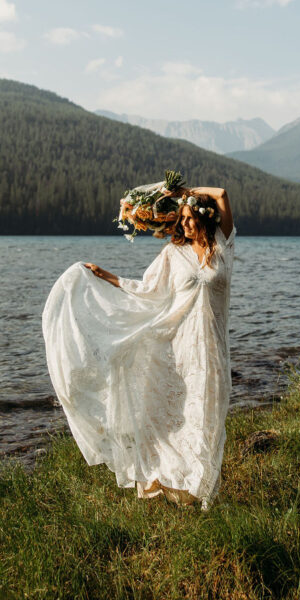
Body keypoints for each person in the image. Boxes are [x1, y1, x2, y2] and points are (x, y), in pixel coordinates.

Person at [42, 185, 235, 509]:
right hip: (181, 349)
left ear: (204, 218)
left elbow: (222, 194)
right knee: (179, 416)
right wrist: (107, 277)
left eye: (189, 218)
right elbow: (147, 290)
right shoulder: (175, 254)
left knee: (209, 418)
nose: (184, 224)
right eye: (182, 219)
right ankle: (183, 487)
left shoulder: (222, 246)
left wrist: (185, 192)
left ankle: (202, 486)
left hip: (214, 349)